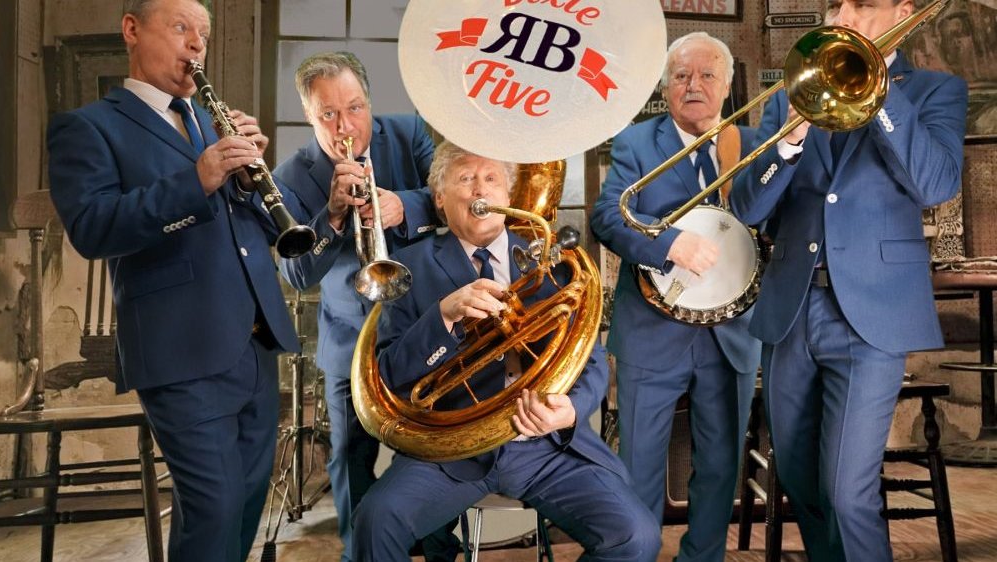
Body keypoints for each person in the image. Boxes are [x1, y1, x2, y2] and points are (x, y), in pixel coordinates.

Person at [46, 1, 302, 560]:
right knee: (215, 509)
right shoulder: (87, 128)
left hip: (255, 343)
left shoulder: (211, 122)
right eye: (182, 28)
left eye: (204, 35)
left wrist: (250, 176)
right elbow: (93, 229)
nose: (196, 45)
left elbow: (249, 230)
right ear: (132, 31)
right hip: (180, 348)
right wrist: (199, 178)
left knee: (244, 506)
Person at [729, 1, 967, 561]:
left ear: (903, 13)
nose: (844, 13)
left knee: (845, 489)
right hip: (790, 311)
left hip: (871, 314)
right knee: (803, 483)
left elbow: (934, 184)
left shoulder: (934, 90)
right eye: (837, 3)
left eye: (863, 4)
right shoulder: (798, 88)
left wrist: (877, 85)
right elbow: (747, 205)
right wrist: (787, 140)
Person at [351, 141, 662, 562]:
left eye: (491, 177)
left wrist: (569, 410)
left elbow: (588, 360)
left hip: (547, 444)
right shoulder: (408, 267)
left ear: (507, 196)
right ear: (440, 198)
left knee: (637, 537)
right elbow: (392, 374)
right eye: (465, 178)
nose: (480, 188)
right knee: (375, 521)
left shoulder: (549, 260)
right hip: (453, 450)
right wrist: (443, 316)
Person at [590, 32, 760, 561]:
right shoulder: (636, 143)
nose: (694, 86)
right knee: (638, 463)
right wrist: (668, 245)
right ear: (666, 86)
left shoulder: (751, 143)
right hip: (651, 331)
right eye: (682, 76)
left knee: (719, 465)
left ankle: (702, 556)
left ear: (727, 85)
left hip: (731, 336)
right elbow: (605, 218)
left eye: (707, 75)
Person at [273, 52, 450, 561]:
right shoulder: (291, 175)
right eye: (328, 114)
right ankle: (363, 554)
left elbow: (446, 199)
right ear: (310, 116)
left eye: (354, 107)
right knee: (350, 458)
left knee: (430, 450)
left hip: (422, 328)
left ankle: (441, 550)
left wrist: (405, 206)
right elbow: (297, 274)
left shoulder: (409, 132)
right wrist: (329, 217)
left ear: (369, 101)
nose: (345, 124)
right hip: (349, 339)